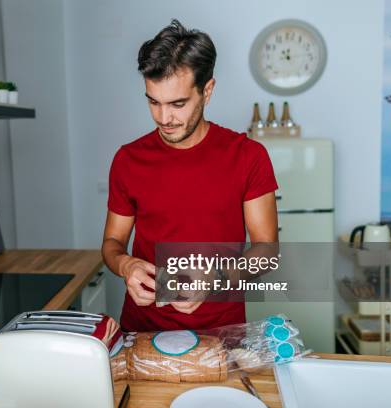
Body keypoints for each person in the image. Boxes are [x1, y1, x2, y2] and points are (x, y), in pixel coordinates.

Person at [101, 19, 279, 332]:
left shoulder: (249, 156)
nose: (163, 117)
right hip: (142, 332)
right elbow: (113, 242)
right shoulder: (128, 159)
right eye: (153, 102)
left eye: (178, 104)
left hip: (221, 335)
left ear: (207, 90)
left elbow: (267, 250)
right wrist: (125, 264)